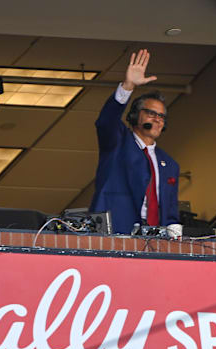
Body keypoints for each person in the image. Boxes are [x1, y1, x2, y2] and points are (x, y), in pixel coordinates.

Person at [90, 49, 180, 234]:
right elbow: (106, 121)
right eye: (151, 113)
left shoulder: (170, 164)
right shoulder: (117, 142)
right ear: (134, 115)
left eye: (162, 116)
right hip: (115, 233)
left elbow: (170, 211)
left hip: (155, 242)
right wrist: (128, 86)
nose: (157, 119)